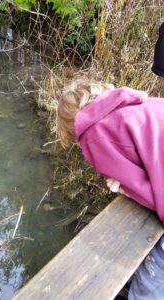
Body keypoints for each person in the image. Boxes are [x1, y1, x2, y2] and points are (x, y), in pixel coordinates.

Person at [57, 78, 164, 299]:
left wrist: (125, 188)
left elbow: (150, 194)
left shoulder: (95, 134)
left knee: (149, 283)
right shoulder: (137, 106)